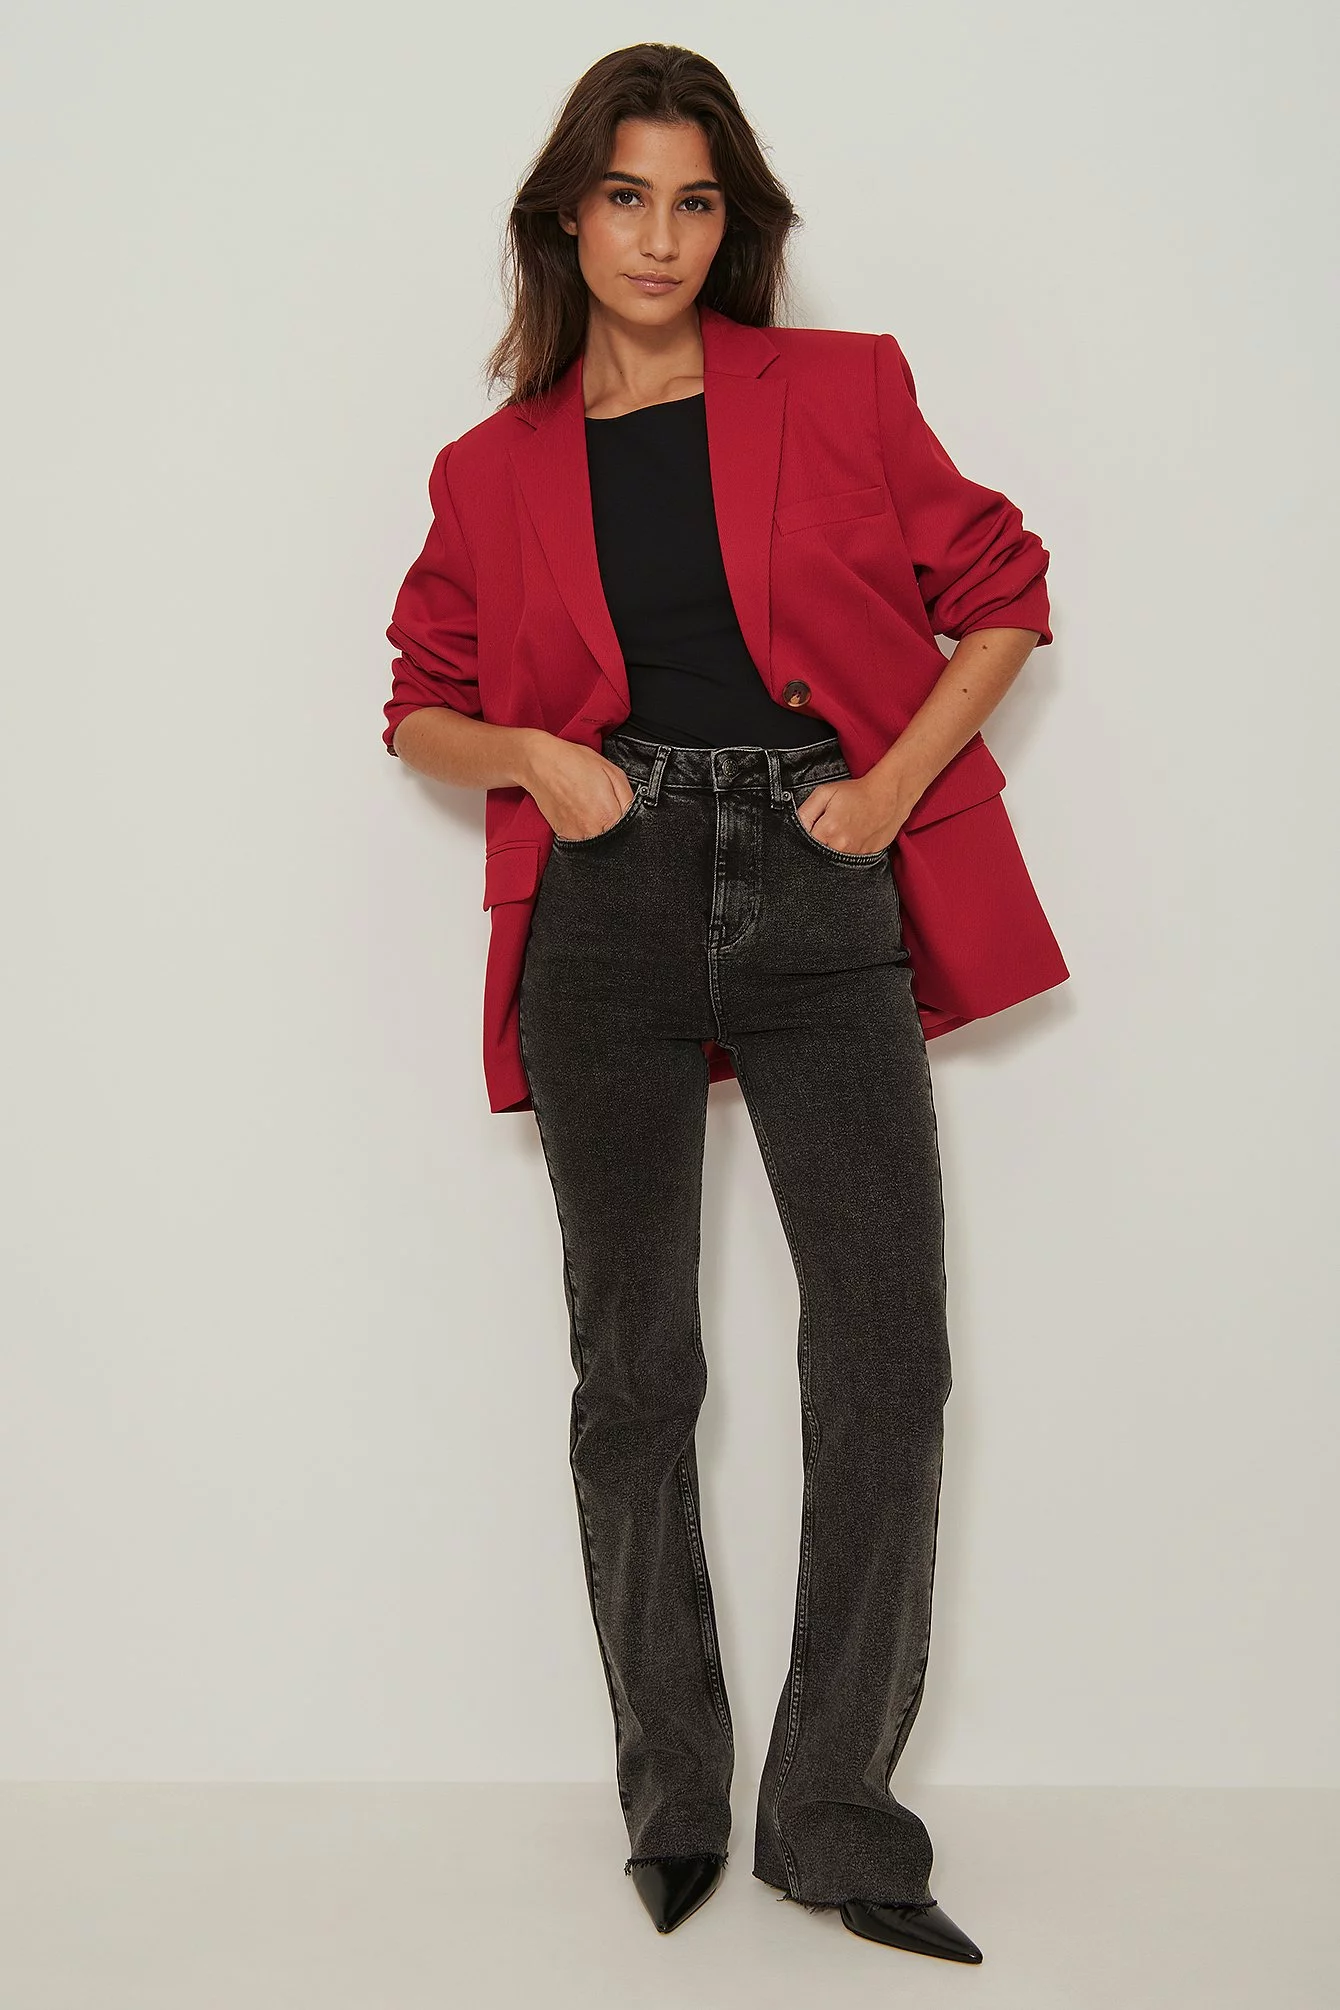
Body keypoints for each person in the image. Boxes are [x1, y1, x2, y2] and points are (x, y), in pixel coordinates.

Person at [381, 42, 1067, 1963]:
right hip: (602, 892)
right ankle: (673, 1795)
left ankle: (835, 1812)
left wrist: (889, 789)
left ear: (731, 222)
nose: (659, 238)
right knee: (639, 1371)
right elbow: (416, 704)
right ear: (567, 218)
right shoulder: (491, 467)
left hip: (815, 871)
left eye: (694, 202)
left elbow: (1005, 591)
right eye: (625, 197)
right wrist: (532, 752)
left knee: (886, 1348)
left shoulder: (840, 389)